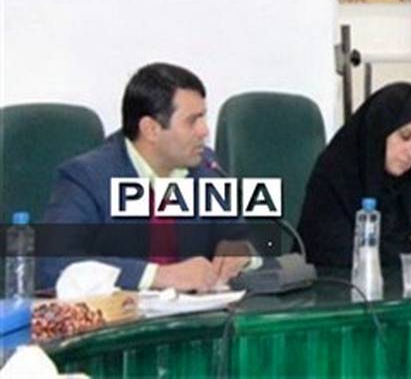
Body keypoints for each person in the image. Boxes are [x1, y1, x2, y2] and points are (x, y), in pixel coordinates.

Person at [39, 63, 253, 292]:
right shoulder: (87, 178)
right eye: (192, 121)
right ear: (151, 129)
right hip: (122, 312)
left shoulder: (206, 169)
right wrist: (157, 276)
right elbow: (52, 265)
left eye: (203, 117)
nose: (204, 131)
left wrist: (243, 252)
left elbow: (243, 236)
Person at [298, 82, 411, 267]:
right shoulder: (337, 174)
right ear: (379, 130)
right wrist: (410, 247)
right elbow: (331, 253)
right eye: (405, 136)